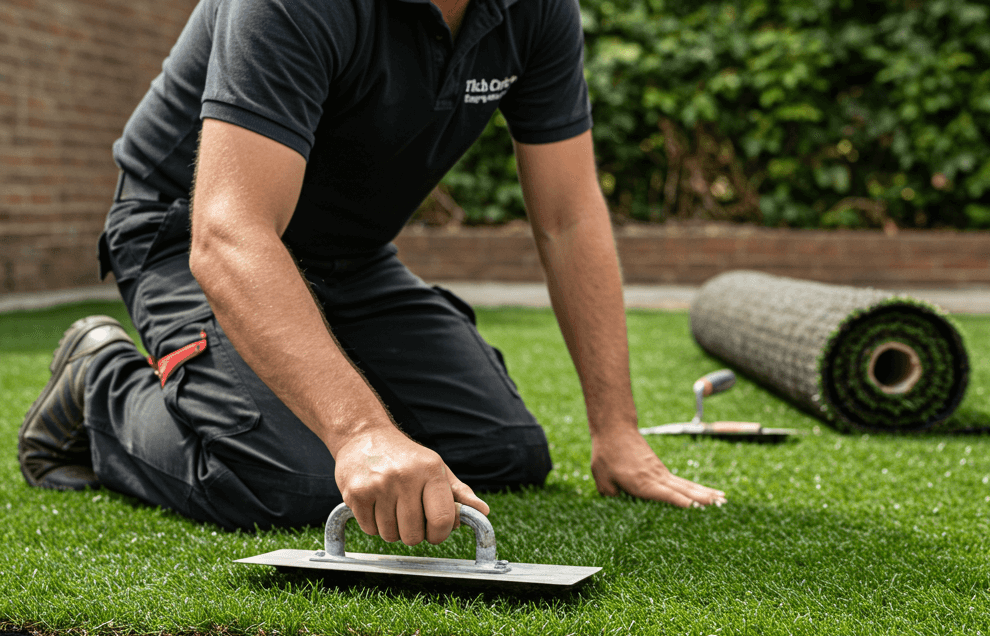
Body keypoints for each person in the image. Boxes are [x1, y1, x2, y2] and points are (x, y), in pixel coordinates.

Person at [18, 0, 725, 548]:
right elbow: (229, 232)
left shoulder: (536, 11)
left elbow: (568, 218)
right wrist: (358, 433)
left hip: (349, 255)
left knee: (502, 450)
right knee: (291, 481)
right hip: (183, 231)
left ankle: (329, 384)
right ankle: (100, 383)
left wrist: (618, 430)